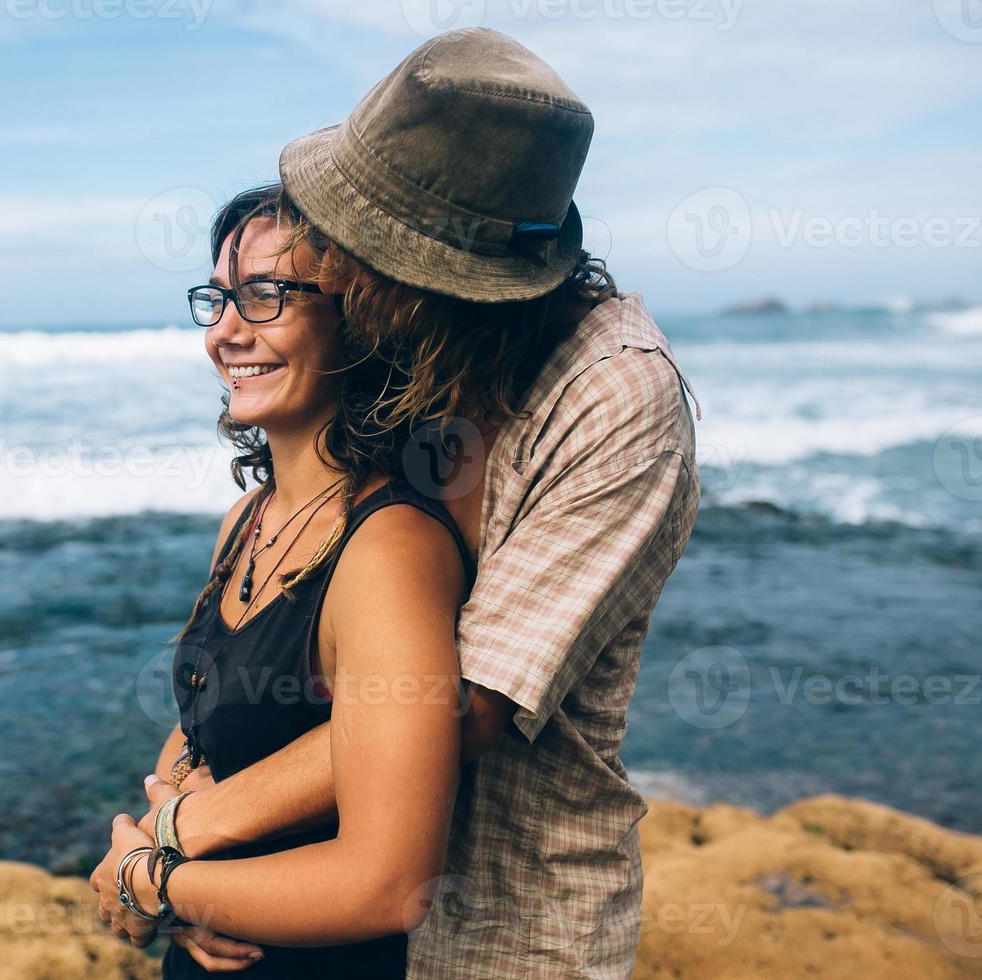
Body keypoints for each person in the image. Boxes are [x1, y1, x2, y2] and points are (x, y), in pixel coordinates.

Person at [99, 27, 701, 979]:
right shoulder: (422, 347)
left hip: (507, 913)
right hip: (319, 905)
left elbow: (458, 703)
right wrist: (194, 839)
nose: (332, 267)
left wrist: (177, 844)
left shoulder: (614, 397)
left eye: (353, 250)